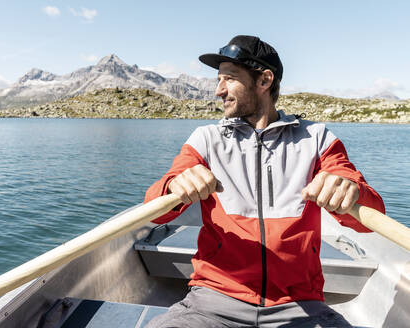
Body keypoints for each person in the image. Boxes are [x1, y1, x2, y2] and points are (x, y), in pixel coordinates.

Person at [143, 35, 385, 328]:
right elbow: (155, 212)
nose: (219, 90)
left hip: (300, 306)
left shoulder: (317, 140)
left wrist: (351, 190)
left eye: (229, 79)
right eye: (219, 80)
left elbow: (368, 218)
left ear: (264, 80)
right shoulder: (206, 139)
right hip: (213, 301)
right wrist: (174, 186)